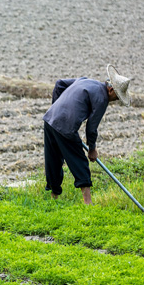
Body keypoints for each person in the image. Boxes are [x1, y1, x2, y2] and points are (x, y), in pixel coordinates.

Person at [42, 65, 132, 204]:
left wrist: (56, 108)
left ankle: (54, 197)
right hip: (66, 126)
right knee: (79, 161)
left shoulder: (86, 81)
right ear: (111, 90)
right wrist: (92, 149)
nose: (117, 100)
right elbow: (91, 128)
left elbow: (59, 84)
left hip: (49, 120)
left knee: (53, 158)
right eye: (118, 96)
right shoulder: (102, 98)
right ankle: (87, 202)